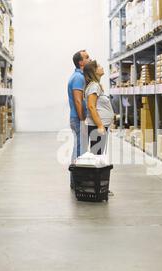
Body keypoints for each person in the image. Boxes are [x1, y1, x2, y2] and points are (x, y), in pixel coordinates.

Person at [68, 50, 90, 188]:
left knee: (80, 149)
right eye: (87, 57)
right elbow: (77, 100)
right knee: (79, 151)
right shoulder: (78, 78)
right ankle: (76, 182)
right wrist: (83, 119)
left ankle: (77, 180)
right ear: (81, 62)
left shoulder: (80, 76)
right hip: (78, 118)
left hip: (78, 118)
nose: (90, 58)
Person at [83, 60, 115, 155]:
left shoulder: (95, 86)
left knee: (97, 154)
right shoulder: (94, 86)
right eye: (99, 66)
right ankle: (96, 171)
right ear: (94, 71)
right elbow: (91, 106)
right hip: (96, 127)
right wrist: (100, 126)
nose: (102, 67)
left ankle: (96, 170)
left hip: (97, 126)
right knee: (97, 156)